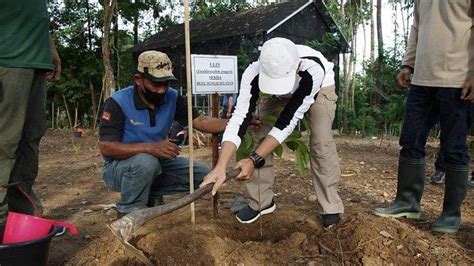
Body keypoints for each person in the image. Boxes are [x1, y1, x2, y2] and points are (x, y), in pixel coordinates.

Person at [201, 37, 344, 228]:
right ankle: (261, 202)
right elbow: (239, 118)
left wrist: (253, 160)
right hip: (276, 94)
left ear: (296, 67)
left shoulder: (312, 70)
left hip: (320, 89)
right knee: (258, 128)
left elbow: (288, 121)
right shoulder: (253, 72)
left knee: (321, 141)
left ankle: (331, 206)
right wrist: (221, 165)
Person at [373, 0, 473, 233]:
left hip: (457, 79)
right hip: (422, 79)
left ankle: (450, 214)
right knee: (410, 140)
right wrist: (408, 64)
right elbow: (416, 26)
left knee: (454, 148)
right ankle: (407, 202)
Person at [99, 50, 228, 216]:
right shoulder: (117, 102)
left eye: (166, 83)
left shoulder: (172, 97)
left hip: (157, 164)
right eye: (156, 84)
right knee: (146, 163)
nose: (161, 90)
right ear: (138, 80)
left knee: (204, 175)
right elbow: (106, 147)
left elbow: (201, 122)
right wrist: (150, 148)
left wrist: (239, 122)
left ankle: (150, 193)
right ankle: (129, 212)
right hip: (118, 168)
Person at [0, 0, 61, 227]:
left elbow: (36, 11)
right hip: (7, 58)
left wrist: (50, 47)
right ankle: (1, 218)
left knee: (31, 138)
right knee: (5, 141)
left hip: (36, 58)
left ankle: (21, 213)